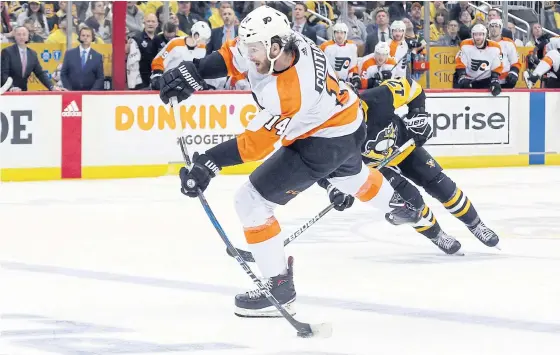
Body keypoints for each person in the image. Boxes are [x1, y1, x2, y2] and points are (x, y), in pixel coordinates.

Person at [157, 5, 419, 317]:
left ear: (276, 47)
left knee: (250, 201)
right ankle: (399, 205)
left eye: (254, 49)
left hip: (323, 141)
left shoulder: (290, 90)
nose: (248, 53)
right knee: (350, 178)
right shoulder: (281, 42)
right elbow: (232, 55)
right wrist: (196, 73)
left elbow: (255, 144)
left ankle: (278, 287)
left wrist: (209, 163)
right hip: (349, 121)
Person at [321, 77, 500, 254]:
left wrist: (418, 114)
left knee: (442, 186)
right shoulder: (334, 131)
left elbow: (413, 88)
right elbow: (321, 166)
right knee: (411, 203)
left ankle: (476, 225)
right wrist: (334, 188)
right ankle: (437, 235)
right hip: (378, 168)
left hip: (405, 147)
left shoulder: (380, 97)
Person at [150, 20, 211, 90]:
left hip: (185, 86)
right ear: (196, 36)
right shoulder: (175, 43)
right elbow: (159, 60)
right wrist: (157, 77)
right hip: (167, 83)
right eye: (204, 39)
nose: (205, 42)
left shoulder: (202, 49)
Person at [454, 24, 503, 96]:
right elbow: (460, 62)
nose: (478, 37)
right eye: (475, 34)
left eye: (480, 34)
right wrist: (462, 76)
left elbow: (497, 66)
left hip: (485, 79)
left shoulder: (495, 47)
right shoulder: (465, 45)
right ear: (472, 35)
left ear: (485, 35)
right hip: (468, 77)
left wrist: (495, 80)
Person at [60, 26, 104, 91]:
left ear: (92, 38)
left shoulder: (97, 56)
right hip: (72, 93)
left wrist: (92, 92)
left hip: (90, 95)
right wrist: (69, 90)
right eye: (83, 35)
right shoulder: (69, 54)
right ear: (79, 37)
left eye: (88, 36)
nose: (85, 38)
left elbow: (100, 77)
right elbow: (63, 74)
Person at [319, 23, 359, 88]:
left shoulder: (352, 46)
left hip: (346, 82)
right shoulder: (325, 46)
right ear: (333, 33)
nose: (339, 35)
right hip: (329, 81)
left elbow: (353, 66)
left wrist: (354, 76)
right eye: (337, 33)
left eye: (342, 33)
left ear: (345, 34)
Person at [488, 19, 520, 89]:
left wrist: (513, 73)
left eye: (496, 26)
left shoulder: (509, 43)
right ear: (489, 29)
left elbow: (515, 62)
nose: (494, 28)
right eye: (492, 26)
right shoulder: (483, 43)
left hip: (506, 80)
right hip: (488, 80)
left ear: (501, 29)